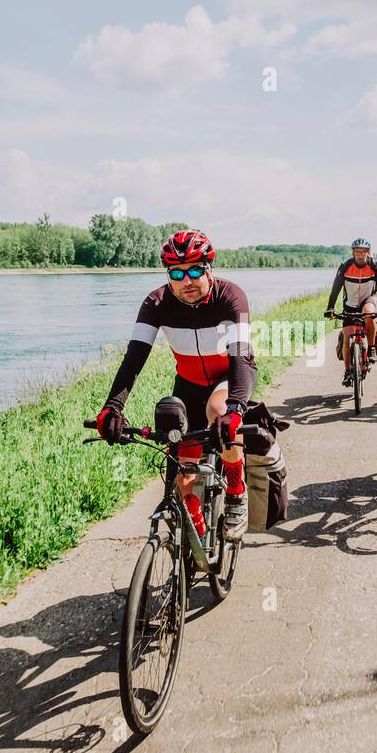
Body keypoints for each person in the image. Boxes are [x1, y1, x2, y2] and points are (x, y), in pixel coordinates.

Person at [95, 229, 255, 541]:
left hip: (229, 379)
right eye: (177, 273)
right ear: (168, 274)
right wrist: (112, 408)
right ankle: (195, 522)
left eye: (195, 270)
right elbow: (134, 358)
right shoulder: (156, 303)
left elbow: (240, 356)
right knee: (183, 474)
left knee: (218, 410)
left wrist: (235, 410)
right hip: (189, 384)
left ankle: (236, 492)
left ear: (209, 269)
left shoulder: (230, 296)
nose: (187, 281)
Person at [324, 237, 377, 383]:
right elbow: (336, 288)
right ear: (353, 253)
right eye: (357, 252)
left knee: (368, 314)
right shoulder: (346, 266)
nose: (360, 255)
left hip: (368, 298)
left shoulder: (375, 266)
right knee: (347, 336)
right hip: (350, 303)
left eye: (363, 252)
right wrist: (330, 307)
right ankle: (348, 371)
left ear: (368, 253)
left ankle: (372, 349)